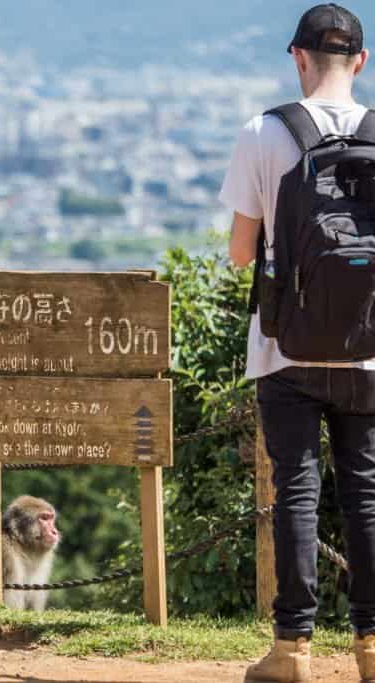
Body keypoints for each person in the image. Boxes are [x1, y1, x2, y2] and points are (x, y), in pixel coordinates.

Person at [221, 4, 375, 682]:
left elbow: (238, 253)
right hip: (369, 349)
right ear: (362, 63)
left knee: (297, 491)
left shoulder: (264, 132)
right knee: (366, 494)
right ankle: (371, 646)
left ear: (298, 58)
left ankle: (292, 650)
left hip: (285, 349)